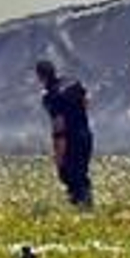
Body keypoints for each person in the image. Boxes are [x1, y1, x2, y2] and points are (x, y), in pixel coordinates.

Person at [35, 60, 93, 208]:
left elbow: (59, 126)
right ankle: (87, 207)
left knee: (68, 175)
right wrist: (76, 114)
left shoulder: (50, 95)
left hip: (71, 139)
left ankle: (82, 210)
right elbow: (87, 100)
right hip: (85, 135)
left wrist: (59, 156)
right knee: (82, 174)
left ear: (40, 77)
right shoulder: (72, 82)